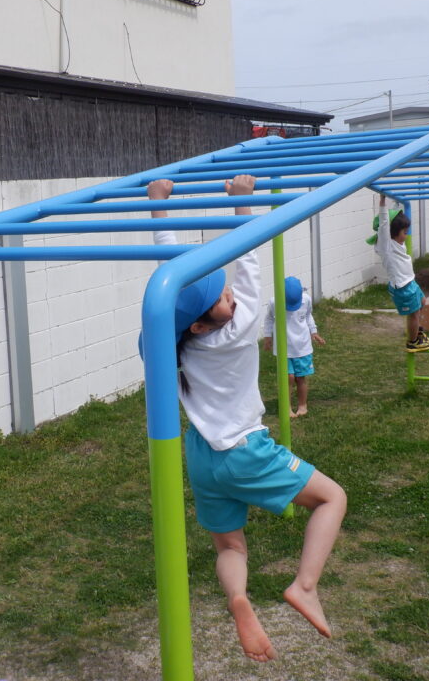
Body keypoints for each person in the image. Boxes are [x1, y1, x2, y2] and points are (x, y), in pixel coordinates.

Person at [144, 177, 346, 663]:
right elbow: (250, 258)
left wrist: (158, 208)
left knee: (230, 548)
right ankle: (305, 586)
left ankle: (238, 598)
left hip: (201, 455)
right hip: (244, 450)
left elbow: (170, 273)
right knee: (332, 498)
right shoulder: (240, 329)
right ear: (201, 322)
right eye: (222, 297)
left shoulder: (176, 344)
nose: (231, 293)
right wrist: (242, 201)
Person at [372, 194, 429, 352]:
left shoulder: (397, 241)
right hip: (402, 287)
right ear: (393, 232)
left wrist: (397, 201)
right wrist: (382, 202)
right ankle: (413, 342)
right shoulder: (387, 245)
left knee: (422, 302)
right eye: (405, 232)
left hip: (410, 282)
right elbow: (385, 224)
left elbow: (393, 218)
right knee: (413, 314)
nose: (407, 235)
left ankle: (416, 330)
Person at [262, 276, 325, 418]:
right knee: (288, 377)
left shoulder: (306, 300)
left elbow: (308, 316)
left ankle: (302, 405)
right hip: (284, 348)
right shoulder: (274, 302)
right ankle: (287, 407)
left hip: (302, 347)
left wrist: (314, 331)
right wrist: (267, 337)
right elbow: (269, 319)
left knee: (300, 378)